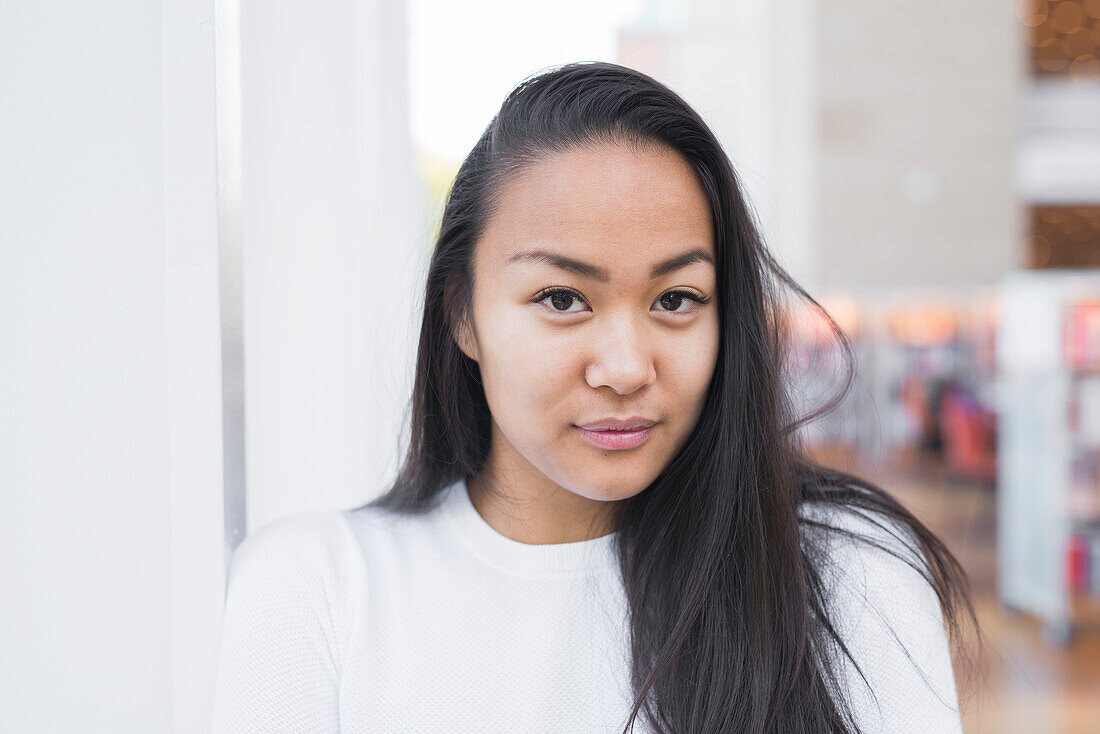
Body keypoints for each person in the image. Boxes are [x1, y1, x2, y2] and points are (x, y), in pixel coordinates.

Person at [210, 61, 983, 733]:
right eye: (562, 298)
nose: (624, 368)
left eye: (676, 300)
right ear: (462, 316)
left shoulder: (850, 572)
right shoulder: (314, 591)